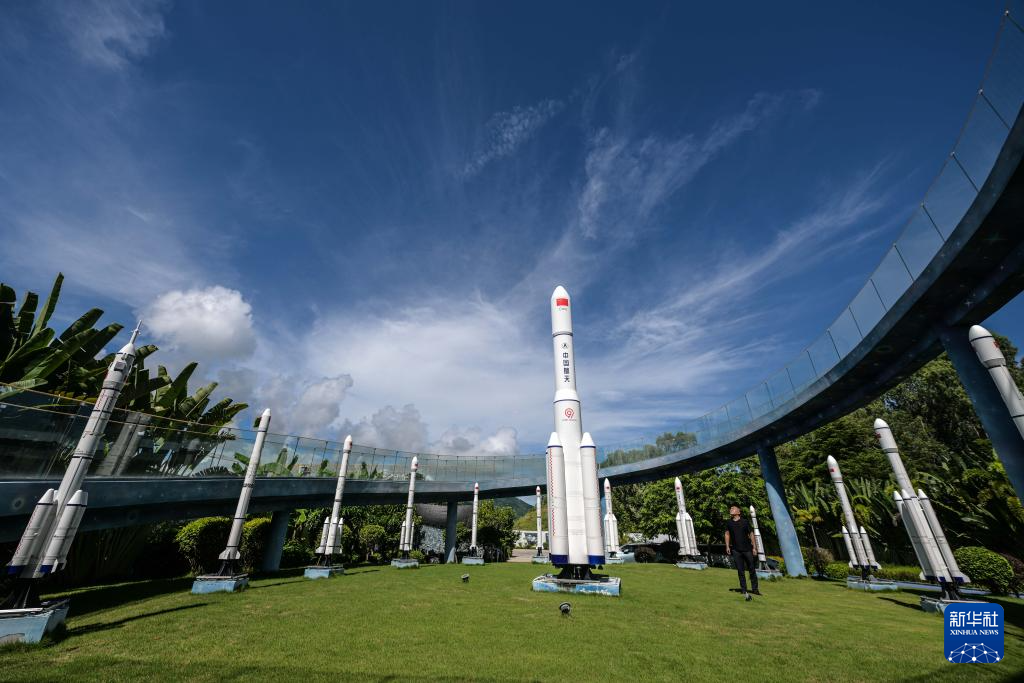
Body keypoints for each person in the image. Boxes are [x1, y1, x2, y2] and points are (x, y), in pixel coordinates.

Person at [724, 504, 760, 599]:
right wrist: (727, 546)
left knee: (752, 569)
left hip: (747, 550)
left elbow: (751, 534)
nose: (731, 509)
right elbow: (727, 534)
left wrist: (754, 547)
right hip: (736, 550)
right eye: (730, 508)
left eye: (733, 508)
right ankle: (744, 590)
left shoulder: (745, 522)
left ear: (738, 512)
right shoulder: (729, 523)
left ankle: (755, 589)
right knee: (740, 571)